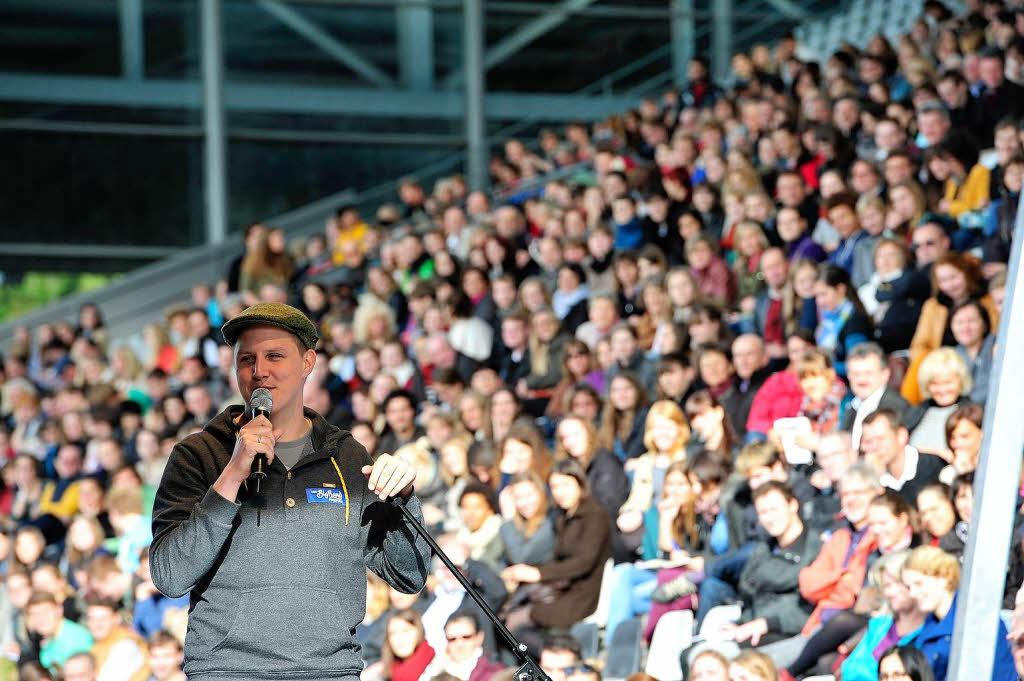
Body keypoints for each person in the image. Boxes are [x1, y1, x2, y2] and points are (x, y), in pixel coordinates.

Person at [149, 303, 430, 680]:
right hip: (227, 669)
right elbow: (169, 575)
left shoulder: (347, 457)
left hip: (330, 670)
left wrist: (404, 497)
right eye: (246, 358)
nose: (259, 371)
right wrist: (233, 472)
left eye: (274, 356)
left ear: (307, 362)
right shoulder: (198, 455)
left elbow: (408, 574)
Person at [903, 545, 1016, 681]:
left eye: (918, 584)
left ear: (943, 578)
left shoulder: (977, 618)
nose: (912, 593)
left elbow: (1001, 671)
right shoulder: (929, 626)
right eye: (908, 587)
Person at [861, 409, 945, 506]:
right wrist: (873, 481)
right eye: (868, 441)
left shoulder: (934, 467)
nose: (874, 447)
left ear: (901, 436)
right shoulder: (871, 477)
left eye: (881, 439)